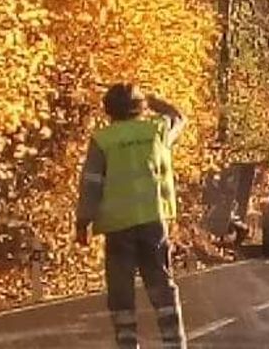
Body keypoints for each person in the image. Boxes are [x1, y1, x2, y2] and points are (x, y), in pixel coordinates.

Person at [75, 83, 187, 349]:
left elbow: (91, 183)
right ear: (140, 107)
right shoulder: (156, 131)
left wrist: (83, 222)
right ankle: (174, 342)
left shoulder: (103, 140)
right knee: (161, 283)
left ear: (108, 110)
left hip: (117, 226)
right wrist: (153, 99)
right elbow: (179, 117)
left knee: (121, 289)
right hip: (152, 221)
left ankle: (127, 343)